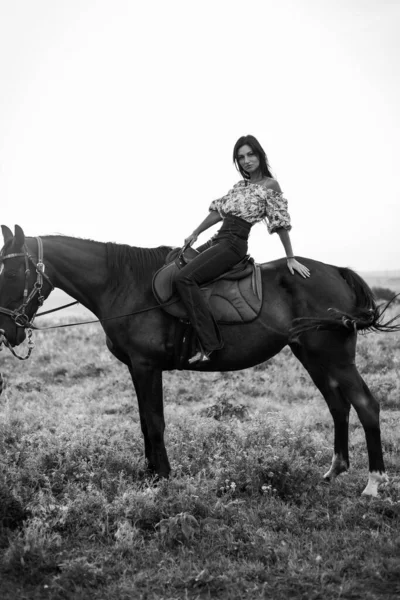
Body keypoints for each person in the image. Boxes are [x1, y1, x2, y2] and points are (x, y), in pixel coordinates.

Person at [176, 134, 311, 364]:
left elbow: (280, 223)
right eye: (241, 157)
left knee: (184, 279)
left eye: (250, 154)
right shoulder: (240, 186)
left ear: (259, 155)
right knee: (177, 265)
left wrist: (290, 257)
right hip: (218, 239)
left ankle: (209, 344)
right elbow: (219, 212)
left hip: (234, 244)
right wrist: (196, 232)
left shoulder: (270, 185)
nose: (246, 160)